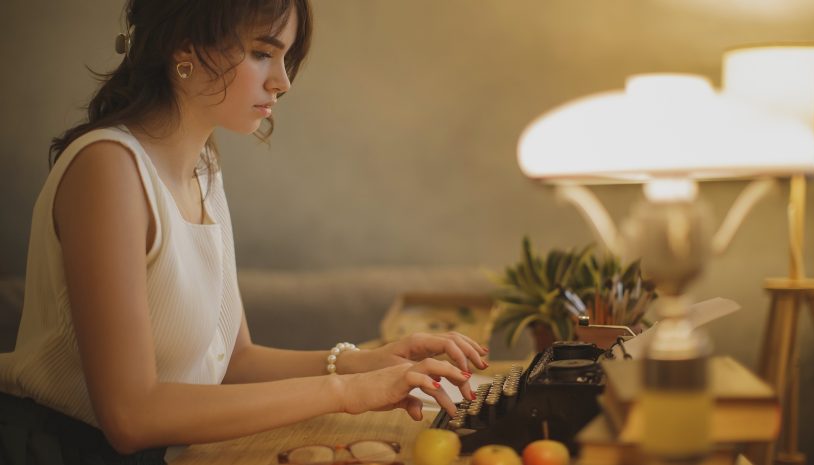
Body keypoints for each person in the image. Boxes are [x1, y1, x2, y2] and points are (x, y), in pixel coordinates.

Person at [0, 0, 488, 463]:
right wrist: (347, 392)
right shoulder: (108, 169)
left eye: (285, 57)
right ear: (184, 47)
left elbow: (234, 362)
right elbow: (131, 416)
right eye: (261, 53)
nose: (283, 81)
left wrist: (364, 361)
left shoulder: (203, 169)